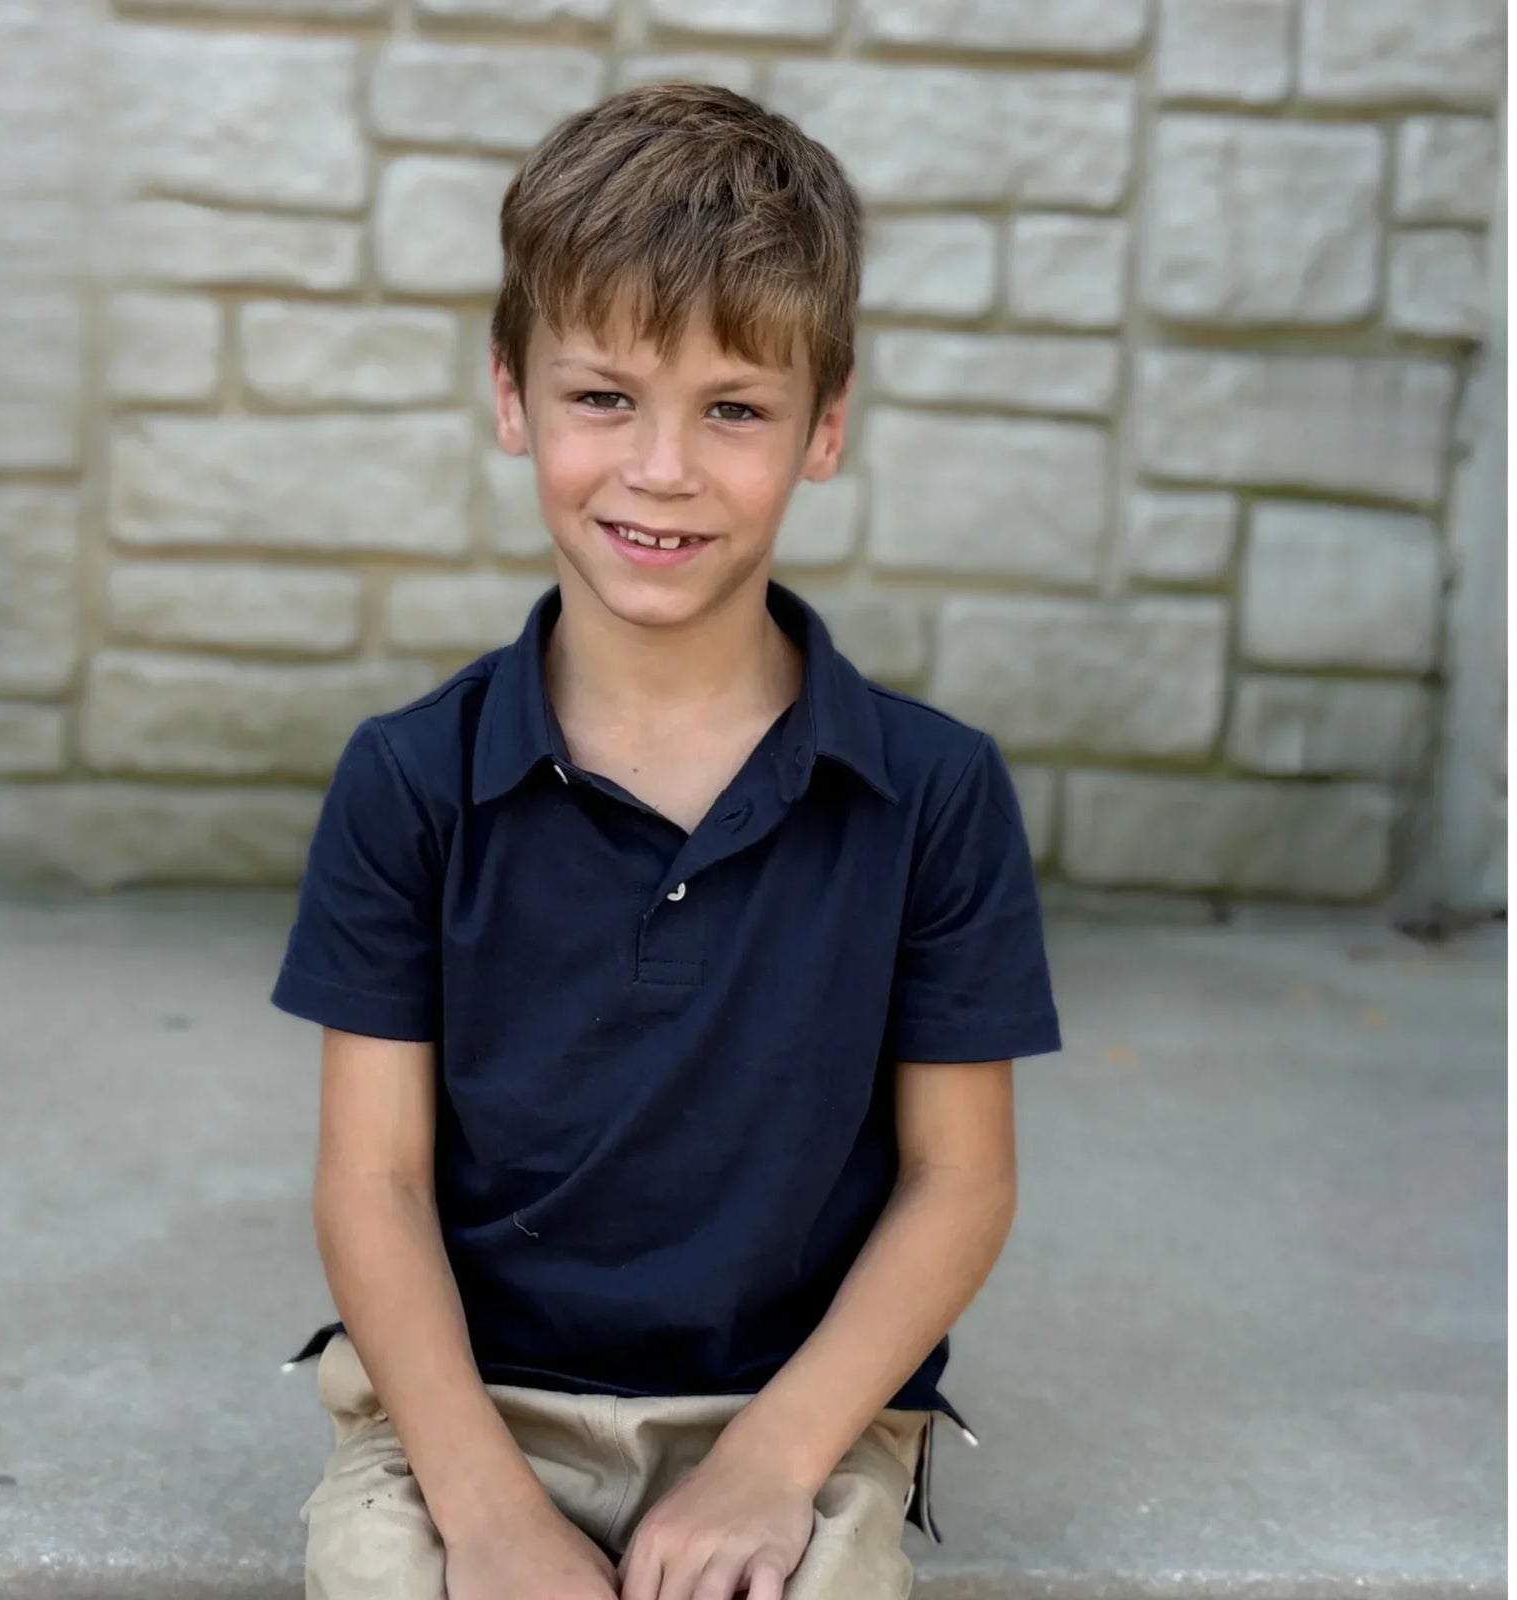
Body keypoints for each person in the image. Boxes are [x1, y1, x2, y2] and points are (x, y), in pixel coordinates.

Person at [270, 81, 1061, 1600]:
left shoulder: (935, 792)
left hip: (792, 1411)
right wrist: (489, 1514)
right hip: (465, 1412)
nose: (663, 468)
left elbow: (961, 1182)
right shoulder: (410, 782)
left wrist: (771, 1468)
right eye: (605, 396)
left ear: (825, 429)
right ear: (511, 395)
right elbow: (368, 1184)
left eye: (736, 409)